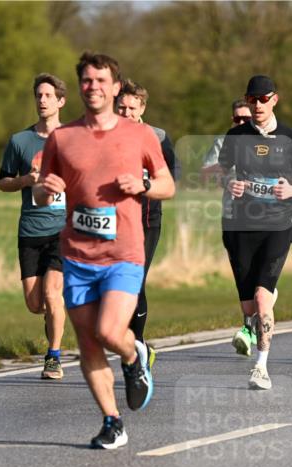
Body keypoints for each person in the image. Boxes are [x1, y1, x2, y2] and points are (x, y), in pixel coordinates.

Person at [36, 52, 174, 449]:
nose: (93, 86)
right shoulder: (62, 138)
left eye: (101, 80)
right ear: (79, 86)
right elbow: (43, 192)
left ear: (116, 87)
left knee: (109, 331)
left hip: (124, 254)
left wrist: (144, 186)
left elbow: (167, 185)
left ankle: (134, 357)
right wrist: (45, 191)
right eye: (86, 80)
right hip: (77, 256)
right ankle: (112, 421)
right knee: (88, 343)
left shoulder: (140, 135)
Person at [218, 75, 292, 390]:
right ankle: (263, 299)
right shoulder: (236, 137)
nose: (258, 105)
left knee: (262, 300)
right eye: (253, 99)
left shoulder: (290, 138)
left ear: (275, 99)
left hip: (277, 225)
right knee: (249, 307)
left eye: (264, 99)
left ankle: (261, 366)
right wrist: (228, 183)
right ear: (247, 101)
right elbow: (220, 173)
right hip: (242, 227)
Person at [0, 73, 68, 379]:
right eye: (38, 95)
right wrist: (26, 180)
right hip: (30, 229)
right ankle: (54, 317)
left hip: (63, 230)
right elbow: (3, 182)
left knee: (53, 295)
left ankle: (53, 356)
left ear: (60, 101)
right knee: (35, 303)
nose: (42, 100)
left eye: (48, 96)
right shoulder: (20, 141)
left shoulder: (73, 139)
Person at [115, 79, 179, 362]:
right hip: (114, 219)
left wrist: (145, 183)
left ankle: (139, 346)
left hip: (147, 218)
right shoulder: (106, 134)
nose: (126, 113)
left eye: (131, 108)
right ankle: (129, 342)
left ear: (142, 107)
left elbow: (171, 179)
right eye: (122, 107)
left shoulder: (158, 137)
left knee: (136, 282)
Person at [200, 100, 258, 356]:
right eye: (237, 119)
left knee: (264, 277)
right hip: (232, 216)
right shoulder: (226, 141)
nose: (242, 123)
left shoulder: (270, 140)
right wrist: (225, 178)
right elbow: (205, 173)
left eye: (246, 118)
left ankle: (252, 325)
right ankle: (250, 327)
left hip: (266, 217)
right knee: (243, 274)